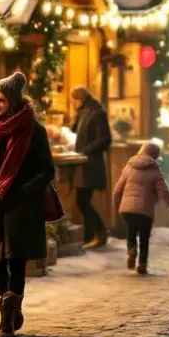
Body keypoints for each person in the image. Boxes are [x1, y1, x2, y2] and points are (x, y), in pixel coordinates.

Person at [0, 72, 56, 337]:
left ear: (14, 100)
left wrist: (25, 191)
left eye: (2, 101)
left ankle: (8, 318)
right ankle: (8, 305)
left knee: (16, 260)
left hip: (21, 205)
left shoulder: (35, 131)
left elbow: (46, 170)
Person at [113, 141, 169, 274]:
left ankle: (131, 249)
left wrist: (118, 204)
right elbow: (164, 192)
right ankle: (142, 263)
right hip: (145, 210)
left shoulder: (129, 167)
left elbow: (117, 189)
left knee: (131, 231)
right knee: (144, 236)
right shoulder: (155, 171)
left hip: (127, 208)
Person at [70, 86, 112, 250]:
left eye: (74, 100)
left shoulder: (97, 113)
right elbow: (75, 129)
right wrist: (76, 115)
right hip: (84, 163)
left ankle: (100, 232)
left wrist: (86, 150)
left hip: (91, 164)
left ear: (81, 99)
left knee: (83, 201)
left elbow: (105, 139)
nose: (73, 104)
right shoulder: (86, 111)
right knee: (83, 200)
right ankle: (91, 236)